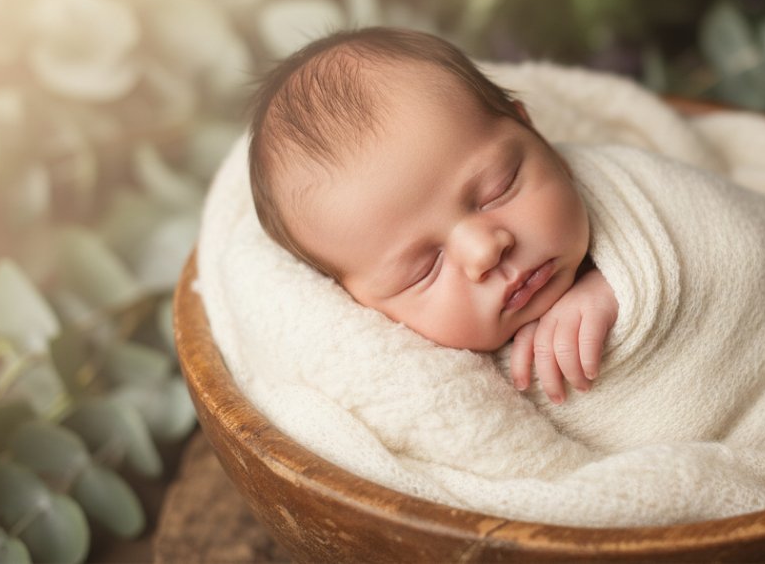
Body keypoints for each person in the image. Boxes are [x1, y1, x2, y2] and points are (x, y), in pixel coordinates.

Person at [247, 27, 618, 405]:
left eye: (498, 189)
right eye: (424, 269)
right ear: (362, 307)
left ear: (532, 132)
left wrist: (618, 286)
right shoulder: (433, 391)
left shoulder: (622, 191)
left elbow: (678, 217)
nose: (484, 251)